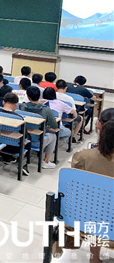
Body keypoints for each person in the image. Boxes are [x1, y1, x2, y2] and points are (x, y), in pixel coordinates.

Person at [71, 108, 114, 263]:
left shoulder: (83, 157)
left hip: (89, 217)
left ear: (99, 125)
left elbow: (75, 185)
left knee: (96, 206)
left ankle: (94, 258)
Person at [19, 86, 59, 169]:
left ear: (28, 97)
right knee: (53, 136)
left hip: (23, 139)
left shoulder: (22, 106)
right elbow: (54, 126)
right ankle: (46, 161)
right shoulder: (46, 109)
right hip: (38, 141)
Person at [0, 92, 31, 175]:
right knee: (28, 139)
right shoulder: (19, 118)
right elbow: (25, 137)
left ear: (3, 102)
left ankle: (6, 158)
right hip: (13, 147)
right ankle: (24, 165)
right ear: (16, 105)